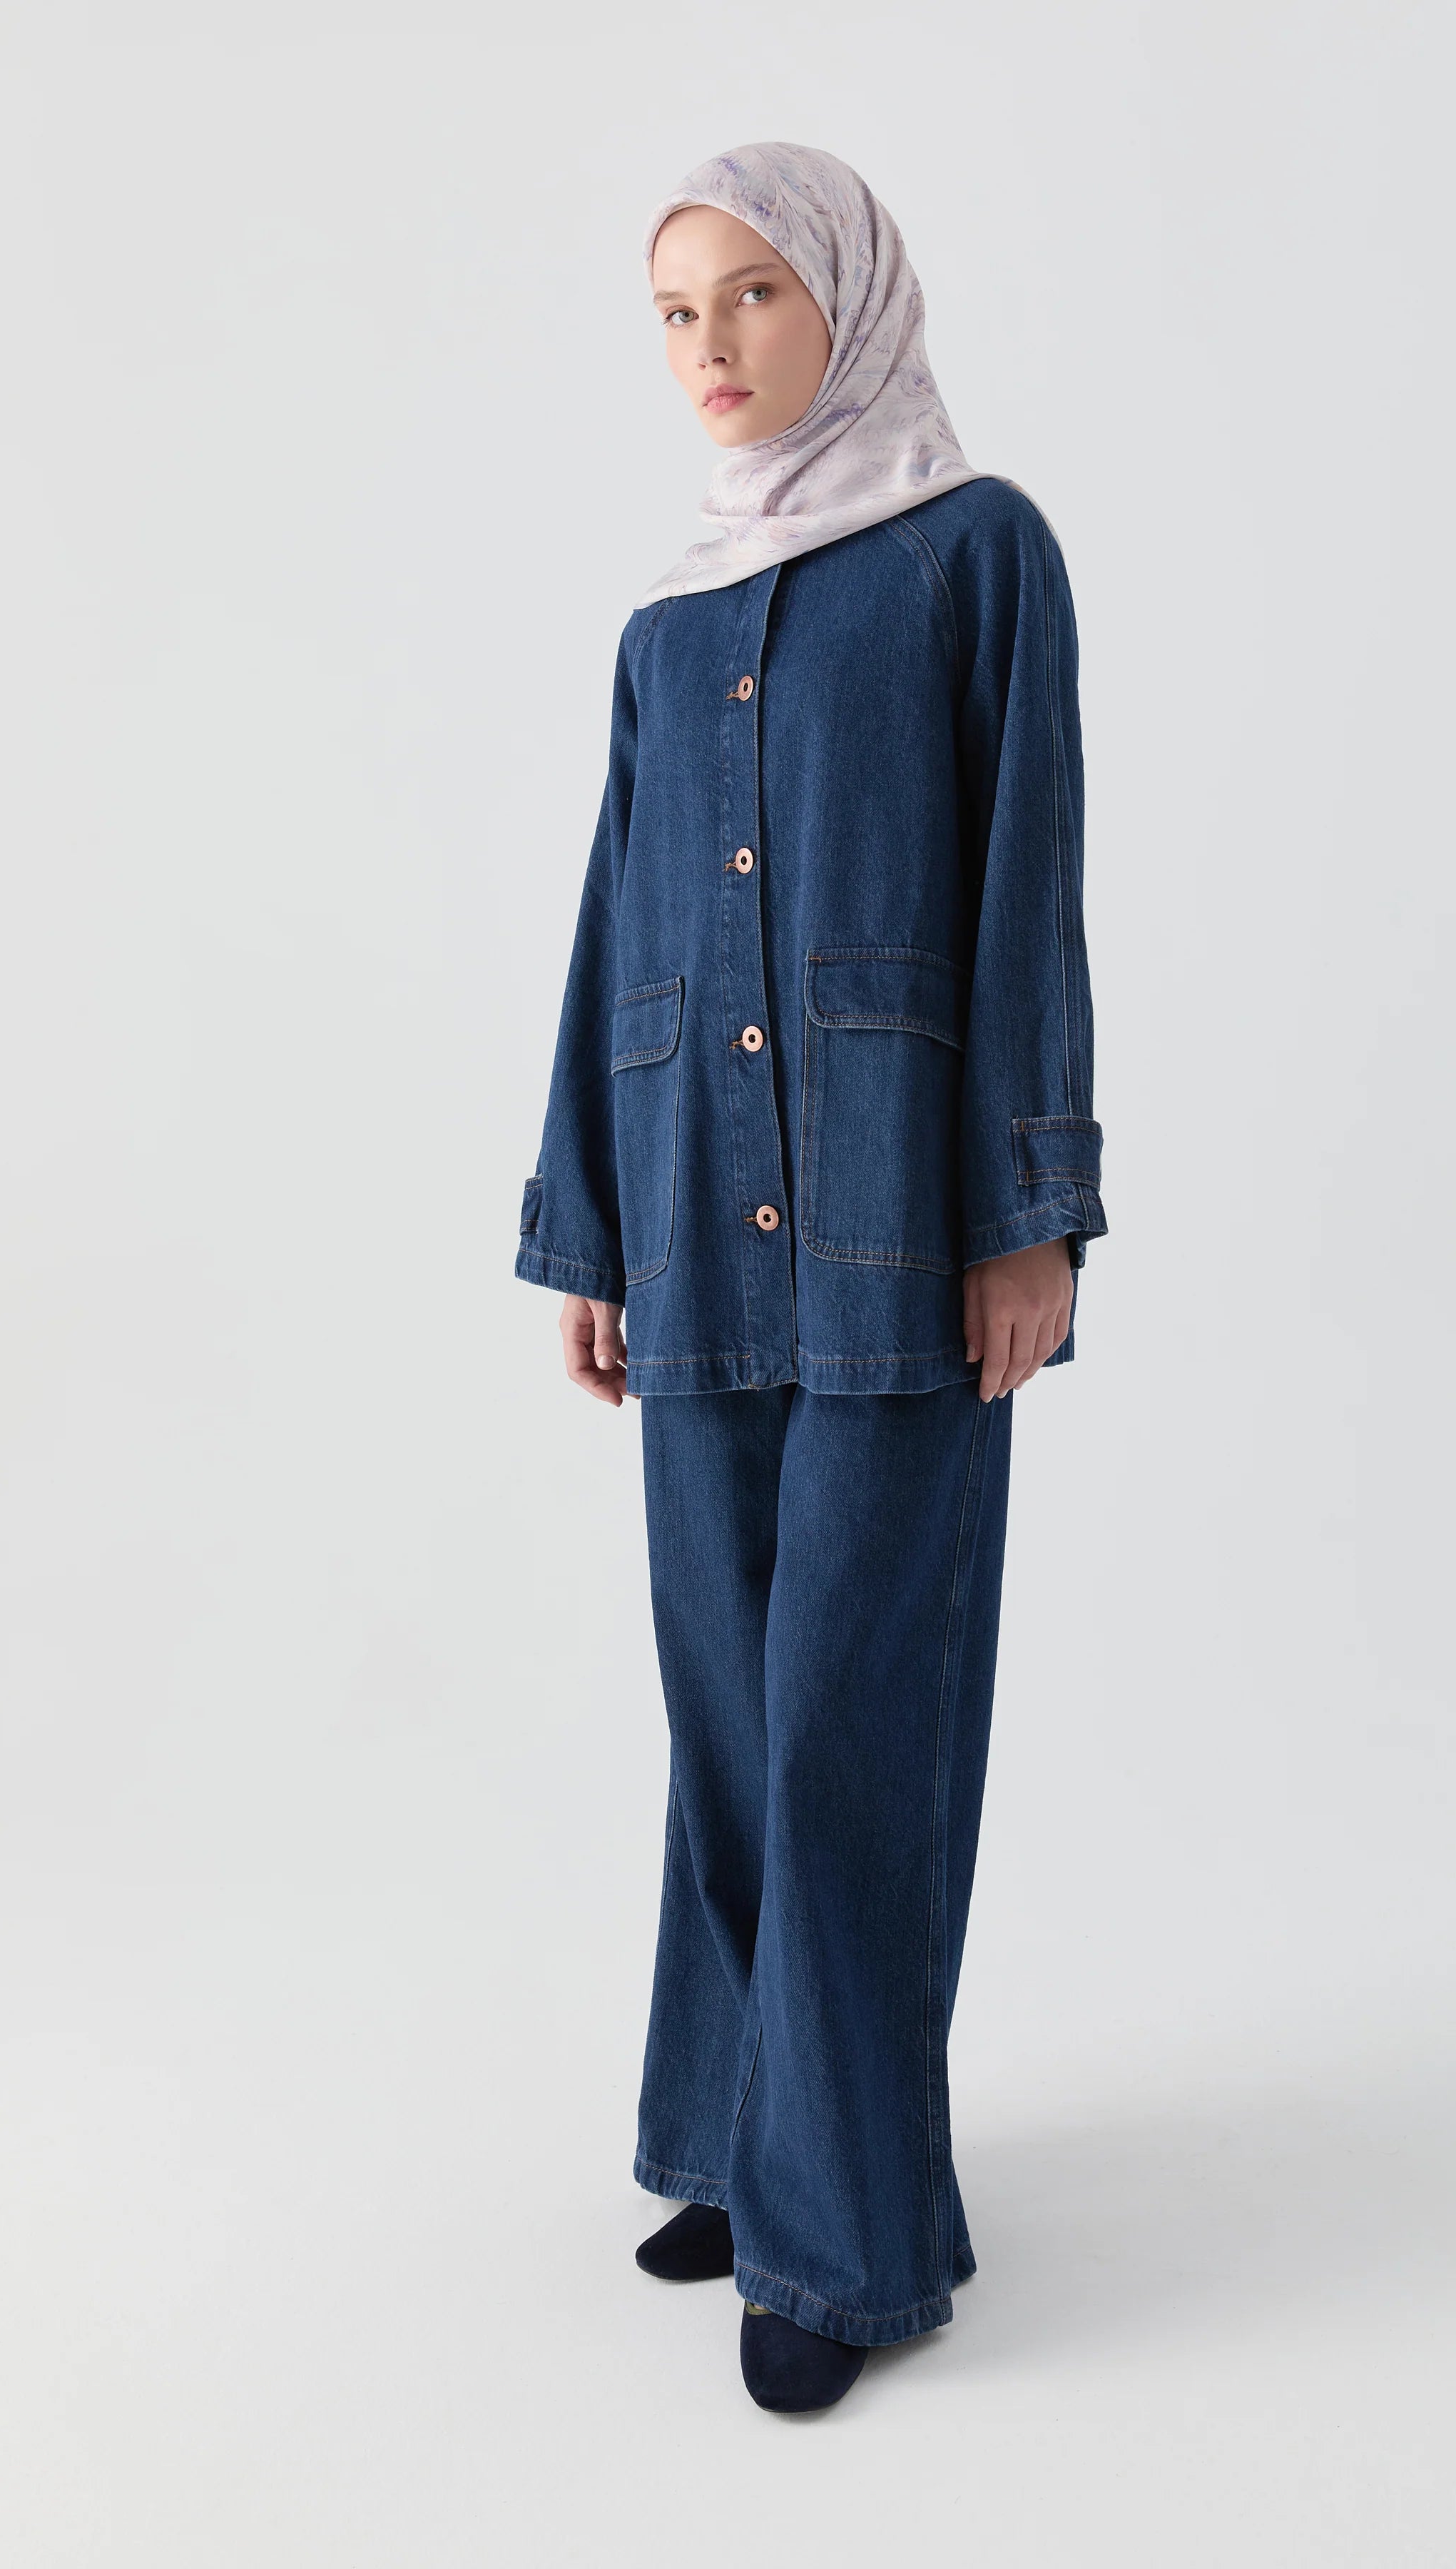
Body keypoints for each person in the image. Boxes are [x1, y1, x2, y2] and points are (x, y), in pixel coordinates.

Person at [514, 141, 1106, 2413]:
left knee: (855, 1719)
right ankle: (733, 2144)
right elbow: (617, 927)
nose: (713, 346)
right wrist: (587, 1229)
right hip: (689, 1223)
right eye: (677, 312)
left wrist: (1028, 1212)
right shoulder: (667, 627)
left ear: (848, 297)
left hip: (894, 1239)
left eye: (754, 295)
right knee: (731, 1720)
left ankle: (846, 2244)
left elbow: (1027, 885)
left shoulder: (977, 555)